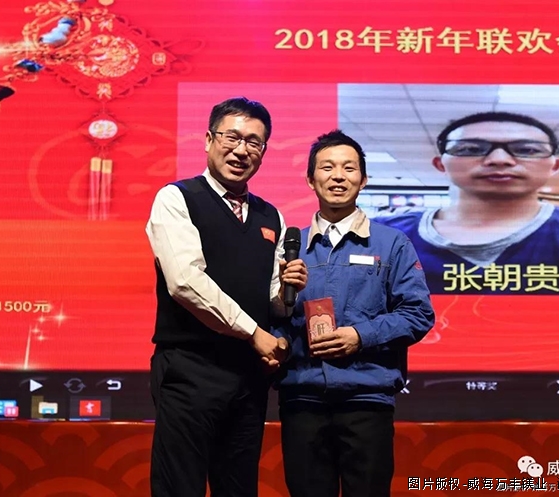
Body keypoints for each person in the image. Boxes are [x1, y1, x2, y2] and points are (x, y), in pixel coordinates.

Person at [145, 96, 307, 497]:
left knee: (239, 487)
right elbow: (185, 282)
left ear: (263, 152)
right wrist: (254, 333)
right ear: (208, 140)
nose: (241, 150)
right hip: (190, 368)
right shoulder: (177, 198)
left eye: (254, 142)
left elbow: (272, 300)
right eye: (231, 137)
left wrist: (287, 292)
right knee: (179, 486)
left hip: (248, 375)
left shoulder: (272, 216)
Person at [272, 130, 435, 497]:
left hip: (367, 400)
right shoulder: (289, 246)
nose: (338, 176)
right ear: (310, 179)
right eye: (327, 167)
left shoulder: (392, 243)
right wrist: (277, 334)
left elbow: (418, 313)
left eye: (349, 168)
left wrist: (360, 336)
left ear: (363, 180)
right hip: (302, 400)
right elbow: (272, 317)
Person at [375, 112, 559, 295]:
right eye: (470, 149)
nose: (499, 159)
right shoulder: (377, 236)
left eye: (528, 150)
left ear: (554, 166)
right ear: (440, 164)